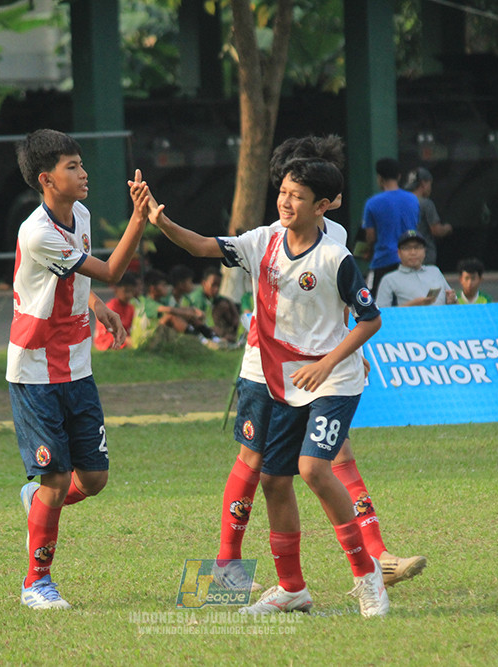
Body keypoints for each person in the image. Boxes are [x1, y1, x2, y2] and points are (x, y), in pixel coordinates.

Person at [147, 157, 391, 617]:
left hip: (332, 380)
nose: (285, 200)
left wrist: (325, 364)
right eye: (282, 191)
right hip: (280, 379)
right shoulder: (262, 241)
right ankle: (291, 588)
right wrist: (162, 222)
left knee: (316, 470)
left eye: (297, 196)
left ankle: (367, 576)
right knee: (275, 480)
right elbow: (202, 246)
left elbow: (370, 320)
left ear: (323, 206)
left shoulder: (335, 256)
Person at [206, 135, 425, 599]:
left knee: (327, 459)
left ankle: (375, 559)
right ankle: (228, 568)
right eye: (289, 185)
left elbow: (345, 309)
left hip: (321, 371)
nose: (291, 196)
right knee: (261, 465)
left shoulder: (336, 239)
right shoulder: (268, 236)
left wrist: (349, 357)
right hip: (265, 368)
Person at [9, 129, 151, 610]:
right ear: (47, 180)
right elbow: (110, 269)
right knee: (55, 479)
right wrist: (139, 220)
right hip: (34, 371)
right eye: (72, 167)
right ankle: (36, 583)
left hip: (77, 365)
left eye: (82, 163)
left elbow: (75, 277)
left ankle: (37, 504)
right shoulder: (38, 232)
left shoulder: (81, 215)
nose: (84, 172)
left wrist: (97, 305)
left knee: (92, 480)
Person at [361, 158, 419, 298]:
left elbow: (370, 236)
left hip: (383, 261)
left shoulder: (372, 203)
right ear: (399, 176)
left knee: (376, 304)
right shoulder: (413, 199)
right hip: (409, 261)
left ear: (379, 178)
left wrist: (367, 251)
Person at [376, 229, 456, 307]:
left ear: (425, 251)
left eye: (417, 247)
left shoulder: (435, 271)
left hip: (439, 319)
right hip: (408, 320)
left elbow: (454, 302)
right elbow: (383, 314)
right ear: (399, 253)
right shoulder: (389, 280)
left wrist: (452, 301)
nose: (413, 252)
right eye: (407, 248)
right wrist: (414, 305)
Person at [405, 167, 452, 266]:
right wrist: (447, 228)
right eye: (430, 184)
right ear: (423, 184)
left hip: (405, 255)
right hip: (424, 257)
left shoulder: (402, 203)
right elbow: (436, 230)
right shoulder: (426, 204)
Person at [92, 272, 139, 351]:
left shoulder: (131, 308)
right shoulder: (110, 306)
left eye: (132, 292)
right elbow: (108, 331)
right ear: (116, 290)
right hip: (107, 339)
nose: (129, 295)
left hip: (123, 337)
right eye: (126, 291)